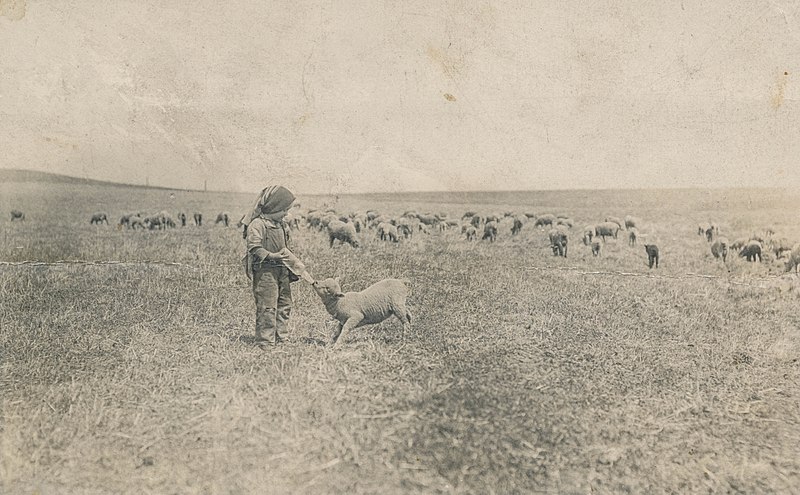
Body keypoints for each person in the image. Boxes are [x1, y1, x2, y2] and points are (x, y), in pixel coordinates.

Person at [241, 185, 298, 348]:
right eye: (283, 210)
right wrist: (271, 255)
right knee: (267, 305)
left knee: (285, 303)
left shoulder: (281, 224)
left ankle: (282, 336)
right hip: (265, 271)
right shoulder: (258, 225)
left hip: (282, 269)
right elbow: (254, 247)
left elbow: (286, 245)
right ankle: (265, 340)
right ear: (273, 207)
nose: (286, 214)